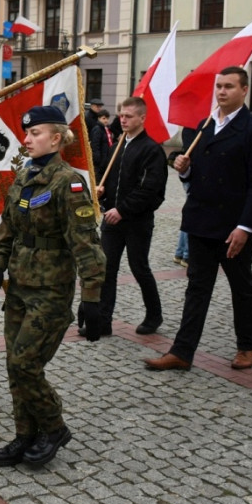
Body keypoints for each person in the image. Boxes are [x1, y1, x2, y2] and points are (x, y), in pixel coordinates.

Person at [0, 105, 105, 467]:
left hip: (51, 291)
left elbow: (86, 244)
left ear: (56, 138)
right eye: (27, 134)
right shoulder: (25, 176)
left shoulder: (67, 182)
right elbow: (8, 227)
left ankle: (53, 428)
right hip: (19, 287)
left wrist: (93, 298)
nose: (27, 139)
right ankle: (26, 435)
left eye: (35, 133)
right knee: (15, 367)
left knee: (25, 364)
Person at [145, 66, 252, 372]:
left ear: (244, 90)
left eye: (229, 86)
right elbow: (199, 173)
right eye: (219, 86)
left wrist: (245, 226)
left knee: (241, 288)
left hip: (233, 225)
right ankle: (182, 351)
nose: (222, 91)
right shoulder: (205, 125)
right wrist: (185, 167)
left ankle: (247, 345)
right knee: (197, 289)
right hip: (201, 221)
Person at [90, 96, 167, 337]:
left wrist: (123, 210)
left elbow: (150, 190)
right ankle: (103, 321)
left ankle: (154, 315)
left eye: (129, 116)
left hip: (136, 221)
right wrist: (101, 194)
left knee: (139, 267)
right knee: (107, 269)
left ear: (142, 118)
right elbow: (108, 177)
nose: (123, 120)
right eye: (121, 115)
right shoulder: (118, 146)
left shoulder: (151, 150)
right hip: (112, 221)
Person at [89, 109, 114, 181]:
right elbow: (95, 145)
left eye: (107, 118)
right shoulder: (97, 129)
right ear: (99, 118)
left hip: (105, 159)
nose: (106, 120)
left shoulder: (106, 129)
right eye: (104, 118)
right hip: (100, 162)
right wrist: (98, 160)